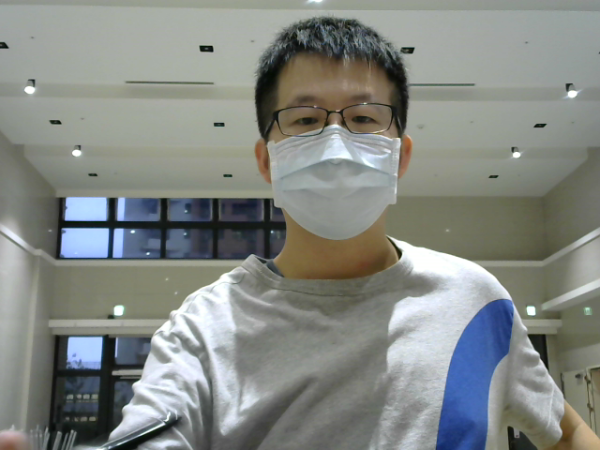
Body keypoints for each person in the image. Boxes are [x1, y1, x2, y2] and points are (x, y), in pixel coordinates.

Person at [104, 16, 599, 450]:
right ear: (266, 160)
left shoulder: (473, 299)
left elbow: (568, 433)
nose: (336, 143)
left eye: (363, 118)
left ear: (400, 157)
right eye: (305, 119)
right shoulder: (203, 330)